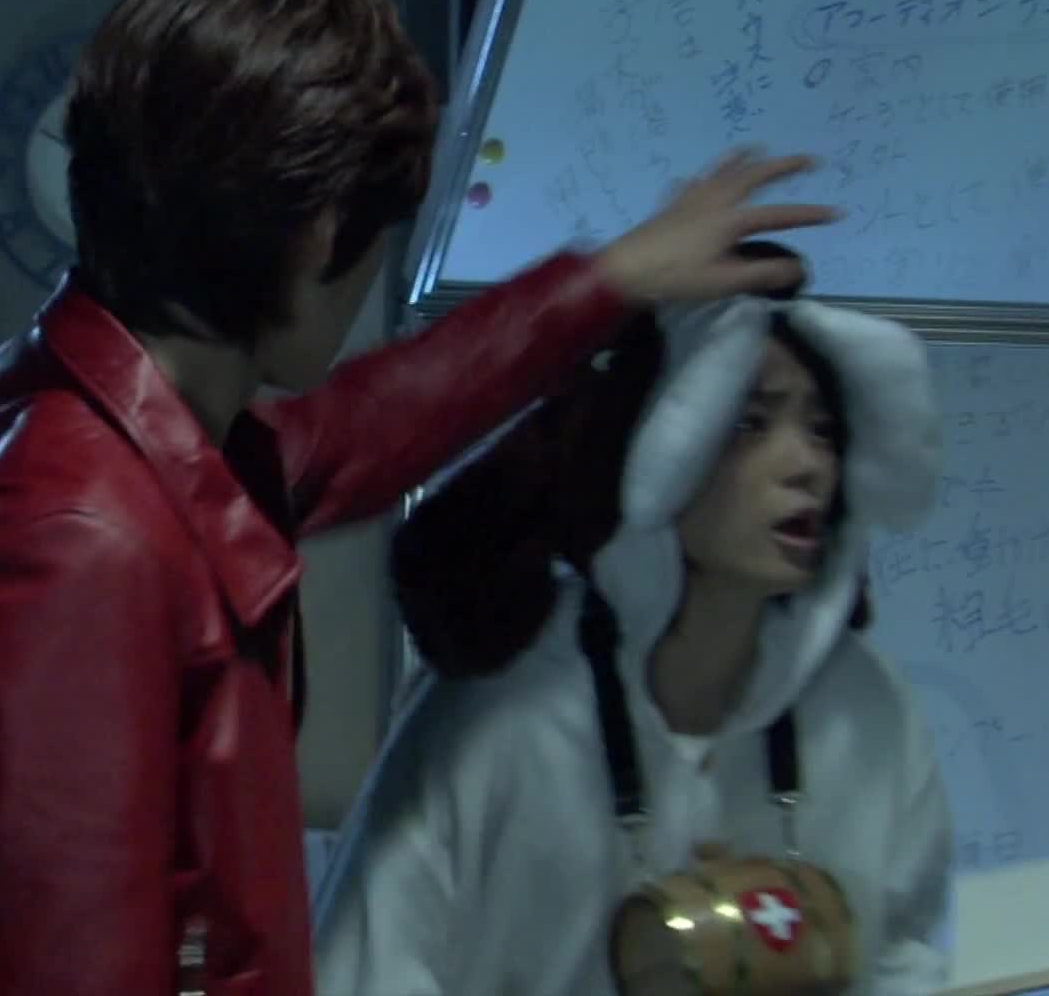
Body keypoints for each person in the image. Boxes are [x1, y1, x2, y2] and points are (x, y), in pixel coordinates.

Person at [0, 0, 839, 996]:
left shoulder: (131, 427)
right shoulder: (82, 551)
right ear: (317, 239)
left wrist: (614, 278)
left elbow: (358, 432)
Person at [313, 243, 954, 995]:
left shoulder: (866, 708)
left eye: (822, 430)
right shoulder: (501, 713)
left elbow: (902, 956)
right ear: (652, 444)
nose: (805, 465)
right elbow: (365, 970)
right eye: (750, 423)